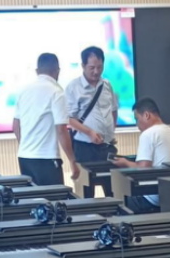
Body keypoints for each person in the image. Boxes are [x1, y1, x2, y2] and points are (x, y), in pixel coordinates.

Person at [13, 53, 80, 185]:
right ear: (57, 71)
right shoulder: (56, 92)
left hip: (24, 157)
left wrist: (25, 146)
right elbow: (61, 130)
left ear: (37, 71)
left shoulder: (23, 90)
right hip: (46, 158)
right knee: (54, 196)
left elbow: (15, 125)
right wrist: (72, 160)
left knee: (33, 196)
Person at [65, 46, 120, 166]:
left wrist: (111, 132)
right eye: (92, 68)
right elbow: (69, 118)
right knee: (87, 178)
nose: (96, 71)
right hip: (84, 147)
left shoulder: (107, 85)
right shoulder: (74, 87)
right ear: (83, 66)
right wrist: (89, 132)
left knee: (112, 177)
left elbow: (114, 110)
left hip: (107, 146)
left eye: (100, 67)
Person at [112, 99, 170, 169]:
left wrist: (125, 163)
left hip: (159, 178)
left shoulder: (148, 134)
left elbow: (143, 169)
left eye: (137, 119)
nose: (136, 124)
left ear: (146, 115)